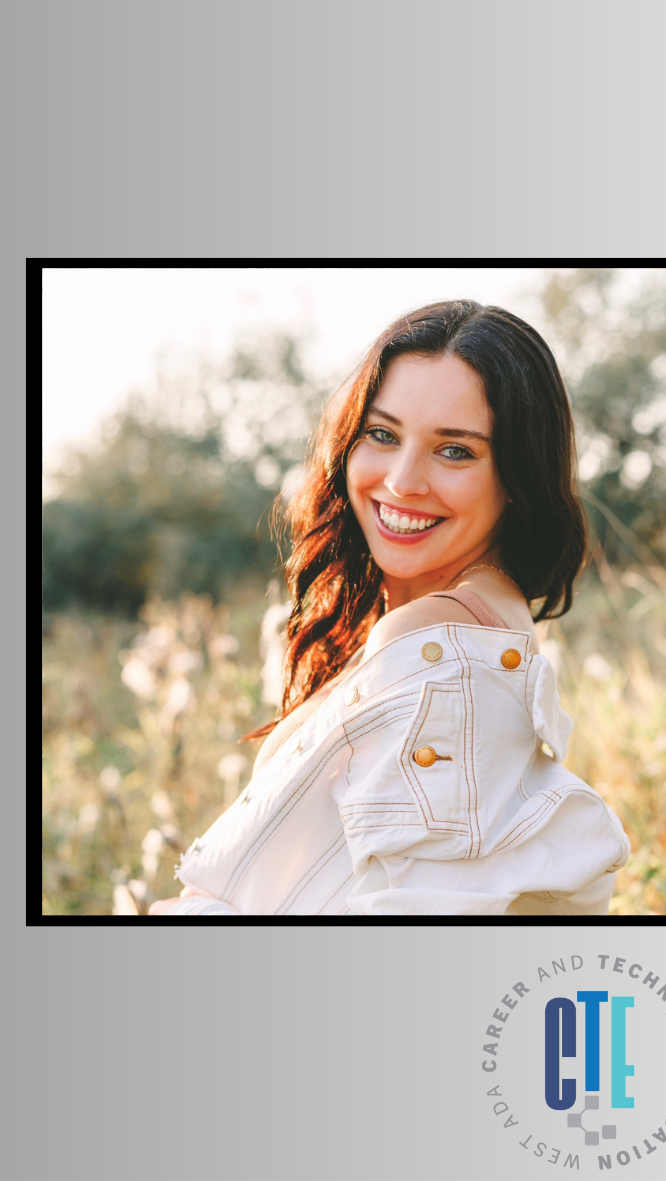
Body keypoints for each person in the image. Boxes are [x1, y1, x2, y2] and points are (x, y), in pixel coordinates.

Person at [149, 301, 629, 915]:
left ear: (517, 475)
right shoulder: (457, 627)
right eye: (382, 434)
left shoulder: (443, 653)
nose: (403, 480)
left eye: (455, 450)